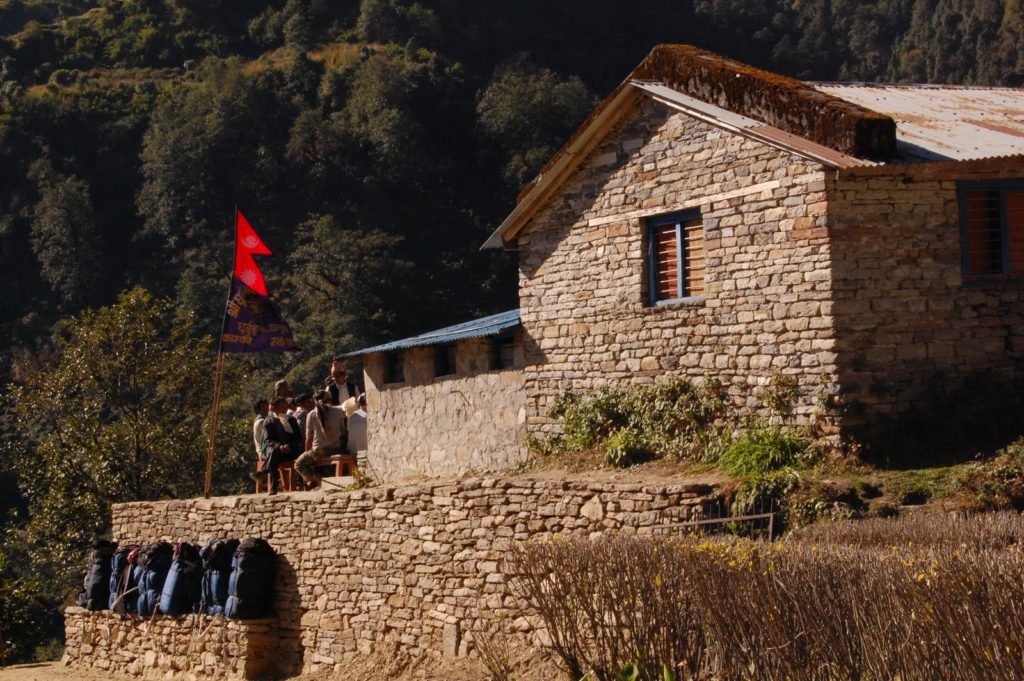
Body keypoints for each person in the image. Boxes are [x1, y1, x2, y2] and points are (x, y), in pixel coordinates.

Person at [293, 390, 347, 488]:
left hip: (318, 451)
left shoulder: (311, 414)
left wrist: (307, 451)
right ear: (329, 400)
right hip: (336, 449)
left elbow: (309, 438)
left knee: (298, 464)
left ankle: (315, 479)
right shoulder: (338, 412)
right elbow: (343, 432)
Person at [263, 396, 303, 494]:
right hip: (278, 451)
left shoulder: (291, 419)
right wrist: (280, 446)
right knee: (273, 452)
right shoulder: (269, 421)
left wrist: (289, 445)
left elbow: (297, 437)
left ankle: (262, 472)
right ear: (274, 408)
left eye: (285, 406)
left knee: (298, 452)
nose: (285, 409)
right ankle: (274, 485)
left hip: (291, 450)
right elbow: (269, 440)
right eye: (282, 407)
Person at [251, 399, 270, 481]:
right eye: (264, 408)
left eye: (267, 407)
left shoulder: (260, 420)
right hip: (264, 452)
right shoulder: (262, 422)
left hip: (263, 451)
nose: (267, 409)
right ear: (258, 410)